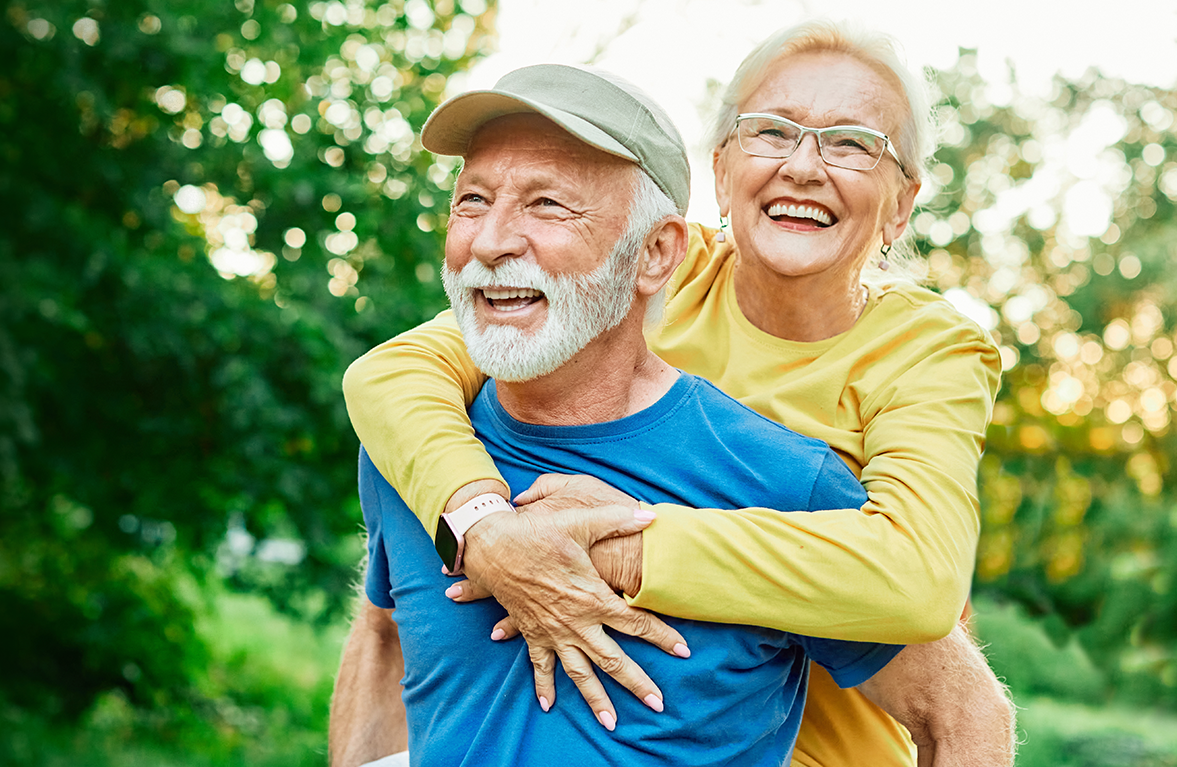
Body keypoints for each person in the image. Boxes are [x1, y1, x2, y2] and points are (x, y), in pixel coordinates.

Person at [330, 21, 1014, 767]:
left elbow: (921, 590)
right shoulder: (616, 288)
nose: (805, 166)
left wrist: (624, 547)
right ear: (720, 173)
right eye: (771, 132)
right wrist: (487, 529)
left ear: (903, 202)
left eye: (851, 142)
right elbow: (386, 375)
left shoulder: (912, 365)